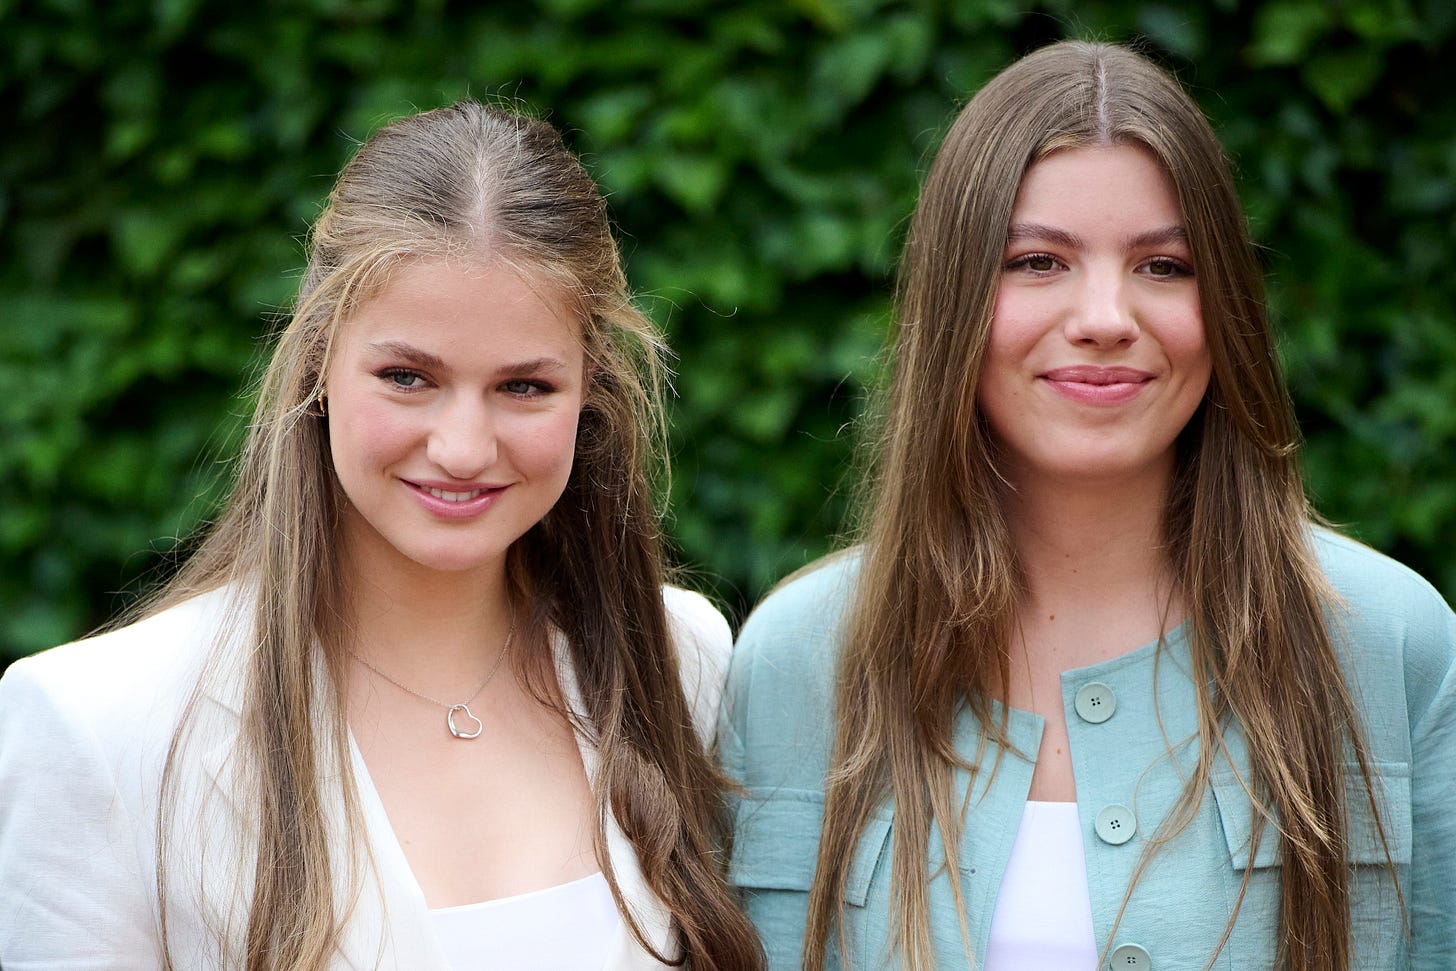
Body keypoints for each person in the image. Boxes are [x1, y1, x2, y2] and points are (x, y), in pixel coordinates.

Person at [719, 40, 1455, 971]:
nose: (1107, 316)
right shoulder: (798, 659)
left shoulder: (1390, 644)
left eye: (1164, 267)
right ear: (954, 302)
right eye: (1036, 261)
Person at [0, 100, 763, 971]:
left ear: (591, 387)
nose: (463, 448)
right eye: (408, 376)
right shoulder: (101, 724)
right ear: (320, 361)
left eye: (524, 388)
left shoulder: (681, 658)